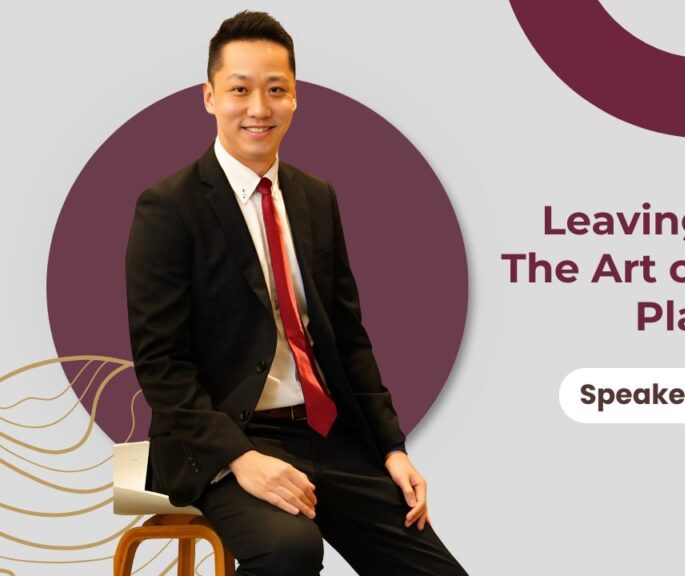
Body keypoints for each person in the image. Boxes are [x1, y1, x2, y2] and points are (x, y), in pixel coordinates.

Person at [125, 10, 466, 575]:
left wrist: (392, 449)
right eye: (240, 89)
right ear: (209, 96)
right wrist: (240, 458)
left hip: (327, 435)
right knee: (289, 552)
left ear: (295, 98)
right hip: (227, 438)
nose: (259, 108)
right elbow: (161, 366)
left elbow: (349, 339)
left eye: (275, 90)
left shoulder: (316, 198)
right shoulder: (167, 208)